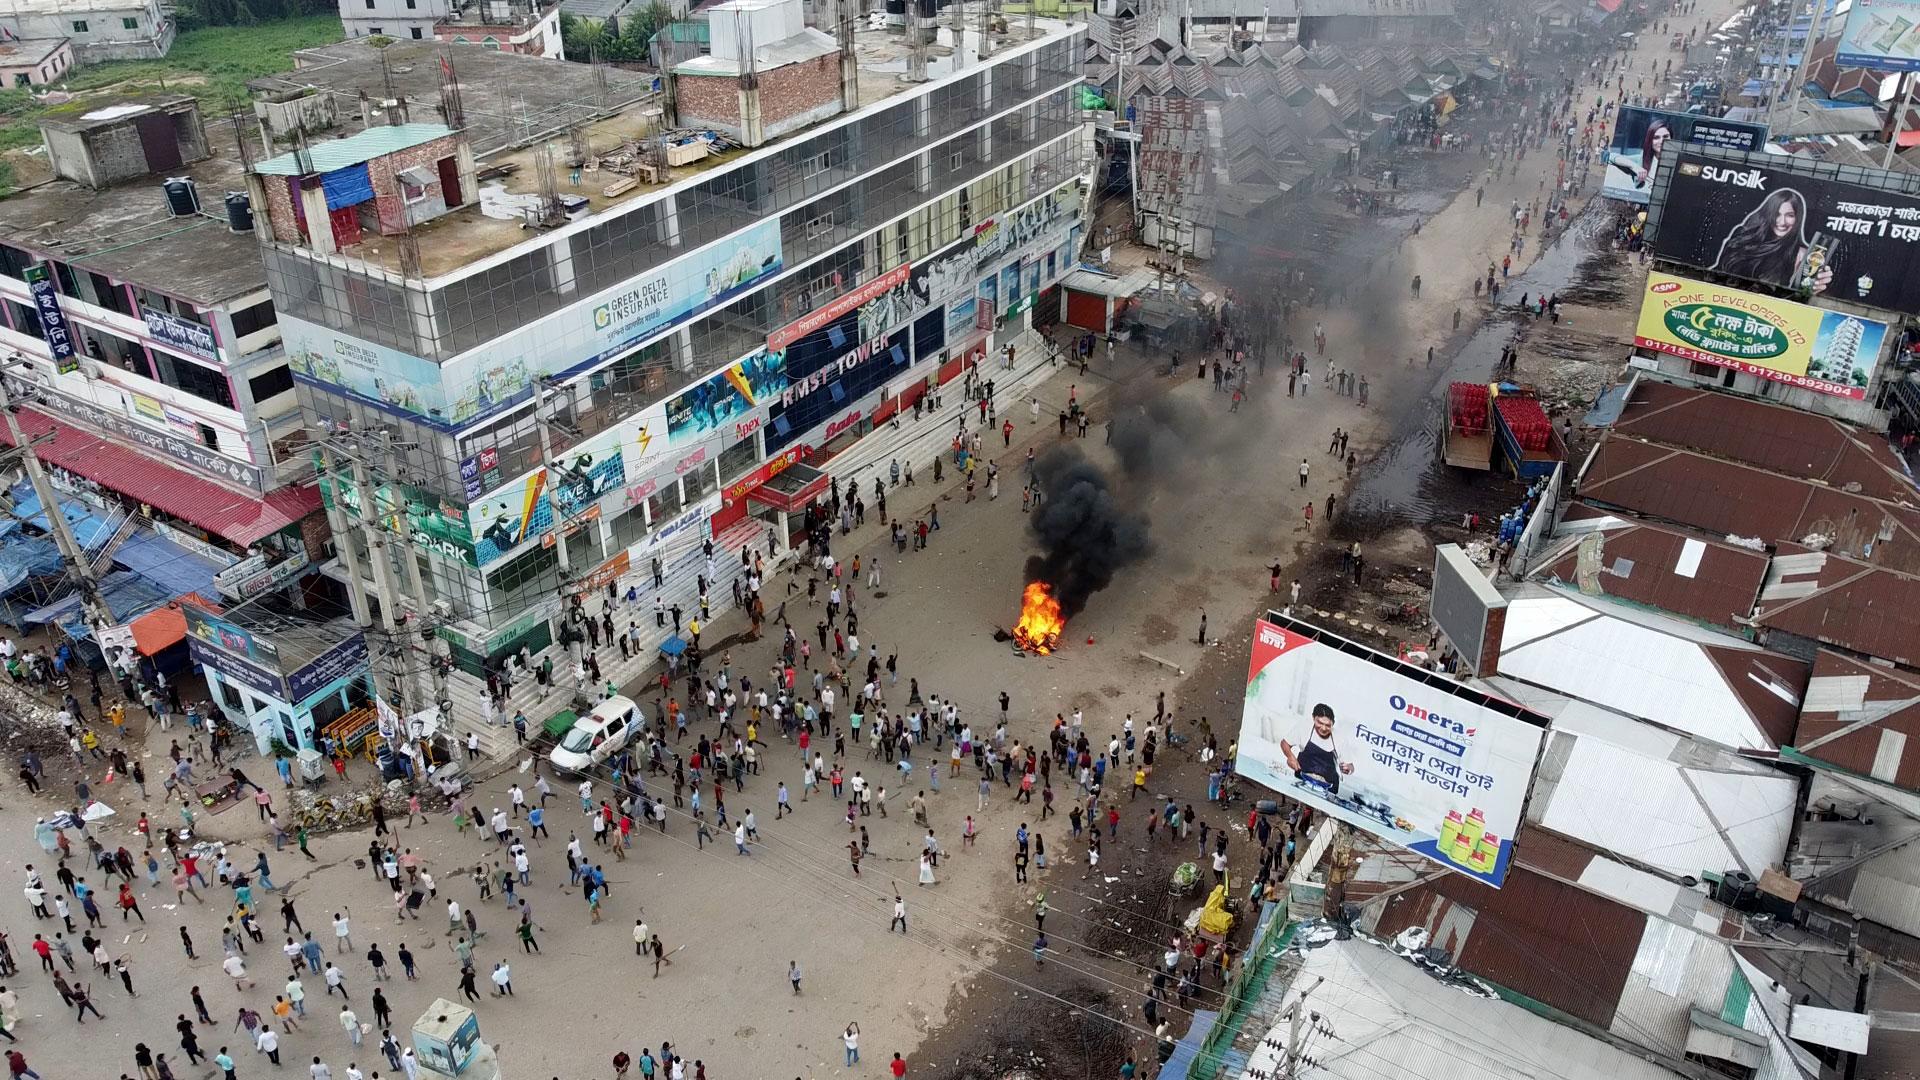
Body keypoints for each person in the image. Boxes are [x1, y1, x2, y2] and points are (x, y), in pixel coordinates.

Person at [1711, 187, 1829, 292]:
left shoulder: (1802, 254)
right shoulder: (1742, 236)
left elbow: (1800, 294)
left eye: (1790, 215)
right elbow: (1716, 274)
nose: (1782, 222)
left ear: (1798, 218)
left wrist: (1813, 288)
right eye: (1777, 214)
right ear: (1768, 213)